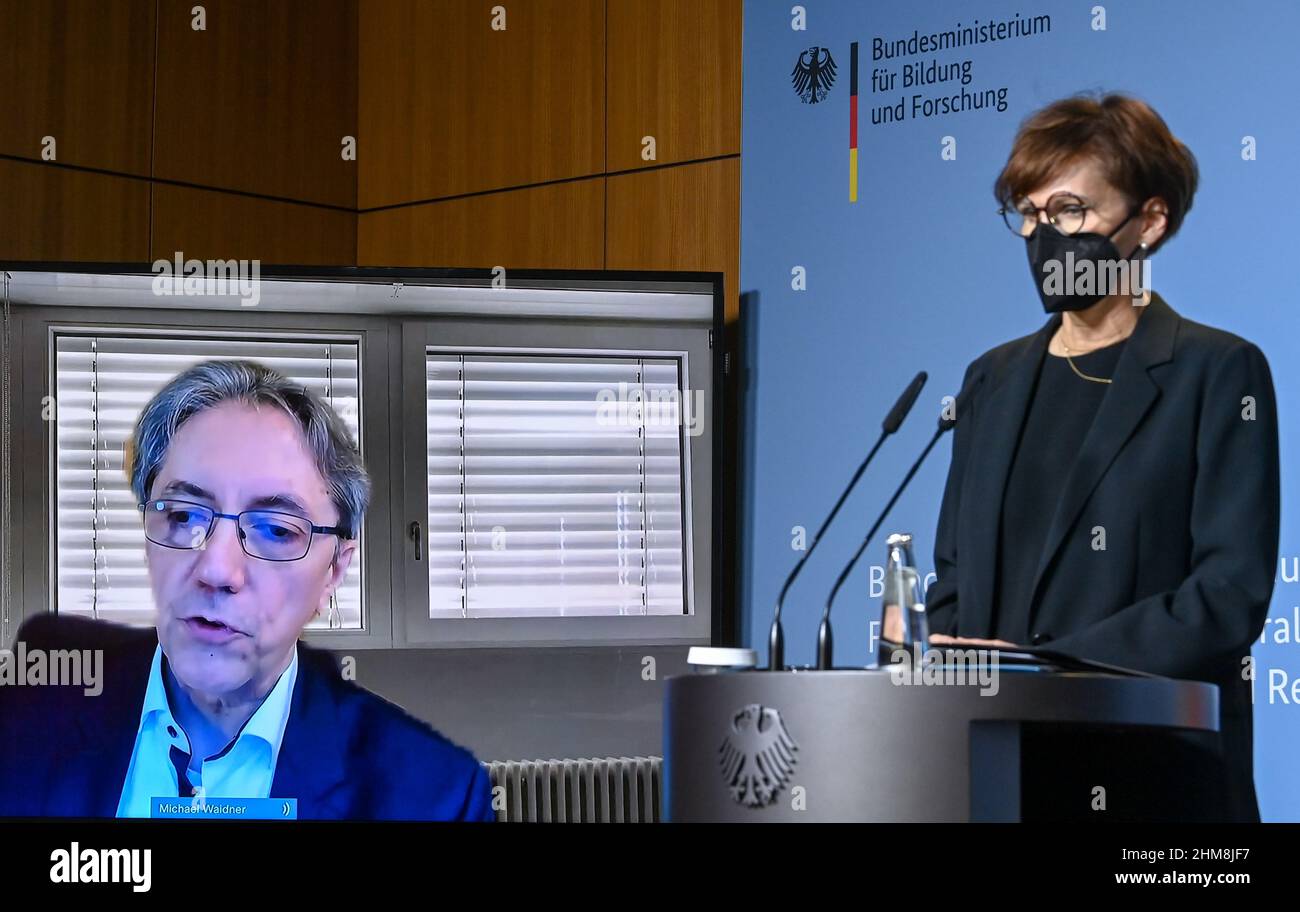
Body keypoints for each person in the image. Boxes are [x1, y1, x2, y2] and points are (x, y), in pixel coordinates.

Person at [924, 92, 1280, 822]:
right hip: (1001, 778)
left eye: (1070, 212)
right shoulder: (991, 380)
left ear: (1149, 221)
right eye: (1028, 213)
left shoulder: (1217, 373)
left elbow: (1227, 595)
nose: (1043, 236)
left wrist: (1059, 672)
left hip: (1155, 782)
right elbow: (953, 581)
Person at [0, 360, 494, 820]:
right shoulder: (22, 733)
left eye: (276, 529)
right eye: (183, 515)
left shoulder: (436, 796)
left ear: (335, 569)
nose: (217, 570)